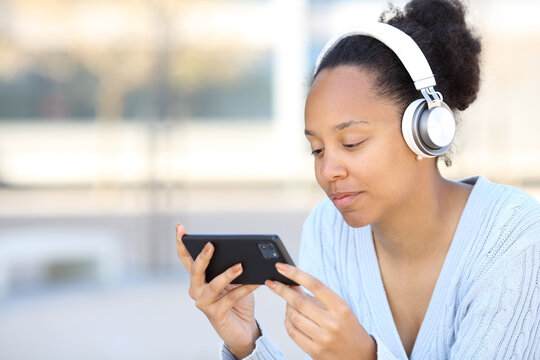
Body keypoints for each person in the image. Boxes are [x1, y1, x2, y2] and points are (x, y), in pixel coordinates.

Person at [176, 0, 540, 358]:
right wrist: (247, 345)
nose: (327, 171)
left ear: (426, 130)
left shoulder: (514, 236)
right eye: (316, 150)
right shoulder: (328, 229)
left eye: (351, 143)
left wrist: (364, 357)